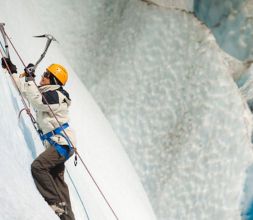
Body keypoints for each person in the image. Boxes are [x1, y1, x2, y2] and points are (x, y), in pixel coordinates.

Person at [1, 58, 76, 220]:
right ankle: (68, 217)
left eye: (46, 75)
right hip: (58, 143)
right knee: (56, 179)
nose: (42, 76)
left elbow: (38, 102)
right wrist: (13, 71)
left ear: (54, 80)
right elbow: (26, 90)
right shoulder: (47, 92)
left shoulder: (56, 95)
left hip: (61, 142)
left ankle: (57, 206)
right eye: (44, 73)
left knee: (38, 167)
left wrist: (29, 79)